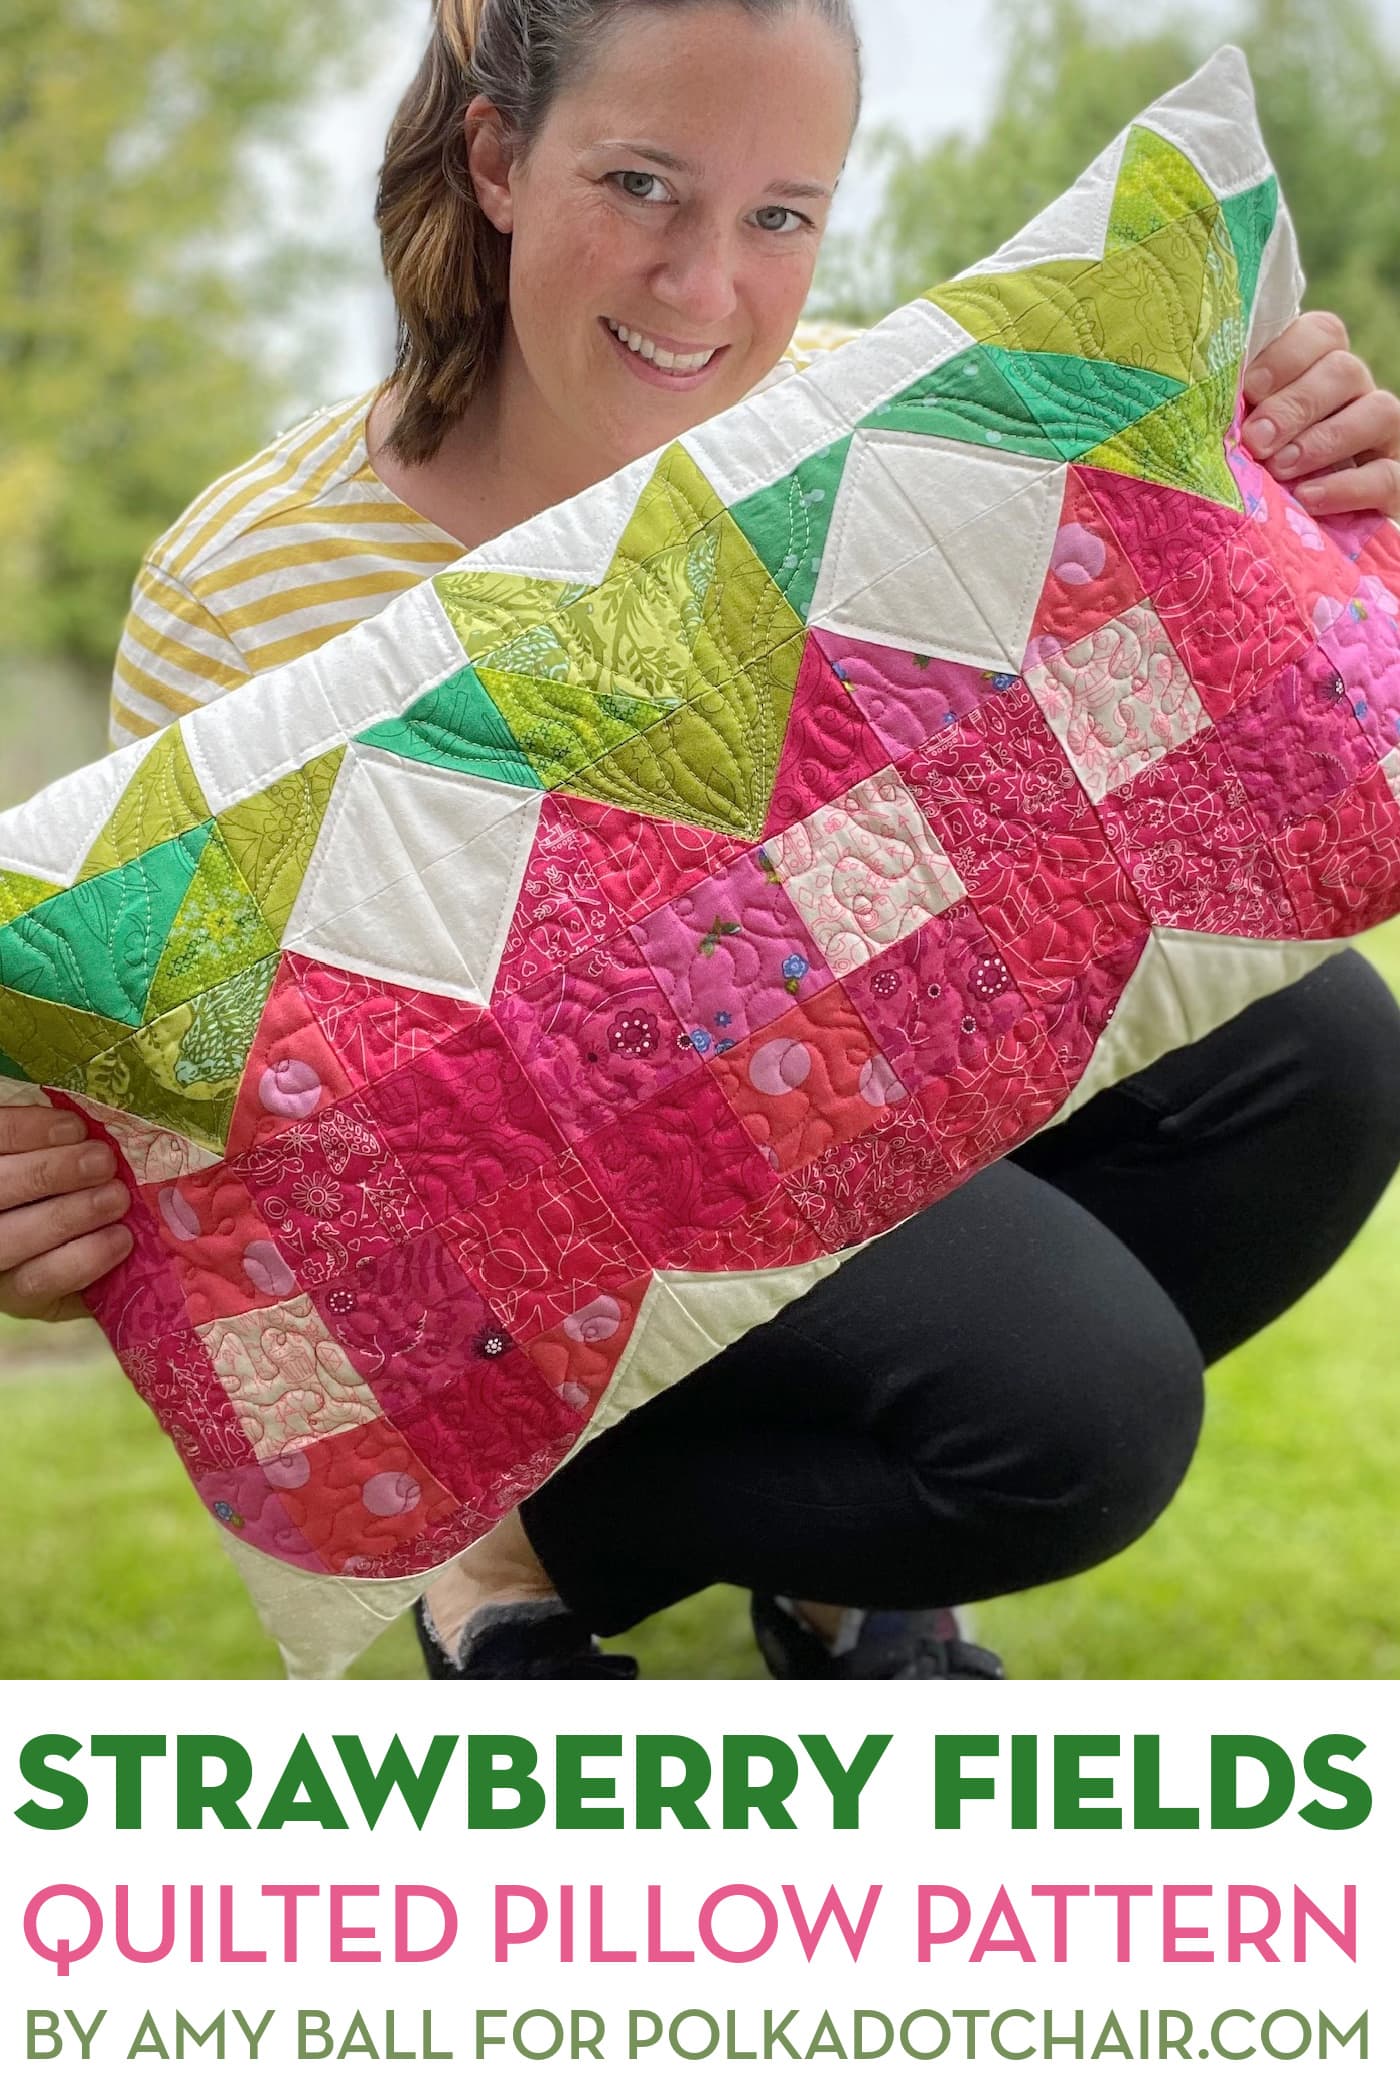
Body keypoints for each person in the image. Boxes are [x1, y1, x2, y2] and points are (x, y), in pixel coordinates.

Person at [5, 0, 1400, 1682]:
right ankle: (491, 1558)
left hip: (857, 1064)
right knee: (1078, 1419)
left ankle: (796, 1569)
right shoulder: (253, 579)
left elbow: (1141, 687)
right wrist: (46, 1201)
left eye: (780, 215)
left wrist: (1300, 466)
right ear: (500, 158)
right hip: (534, 1221)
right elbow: (172, 1089)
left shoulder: (871, 425)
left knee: (1324, 1058)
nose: (706, 287)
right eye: (646, 185)